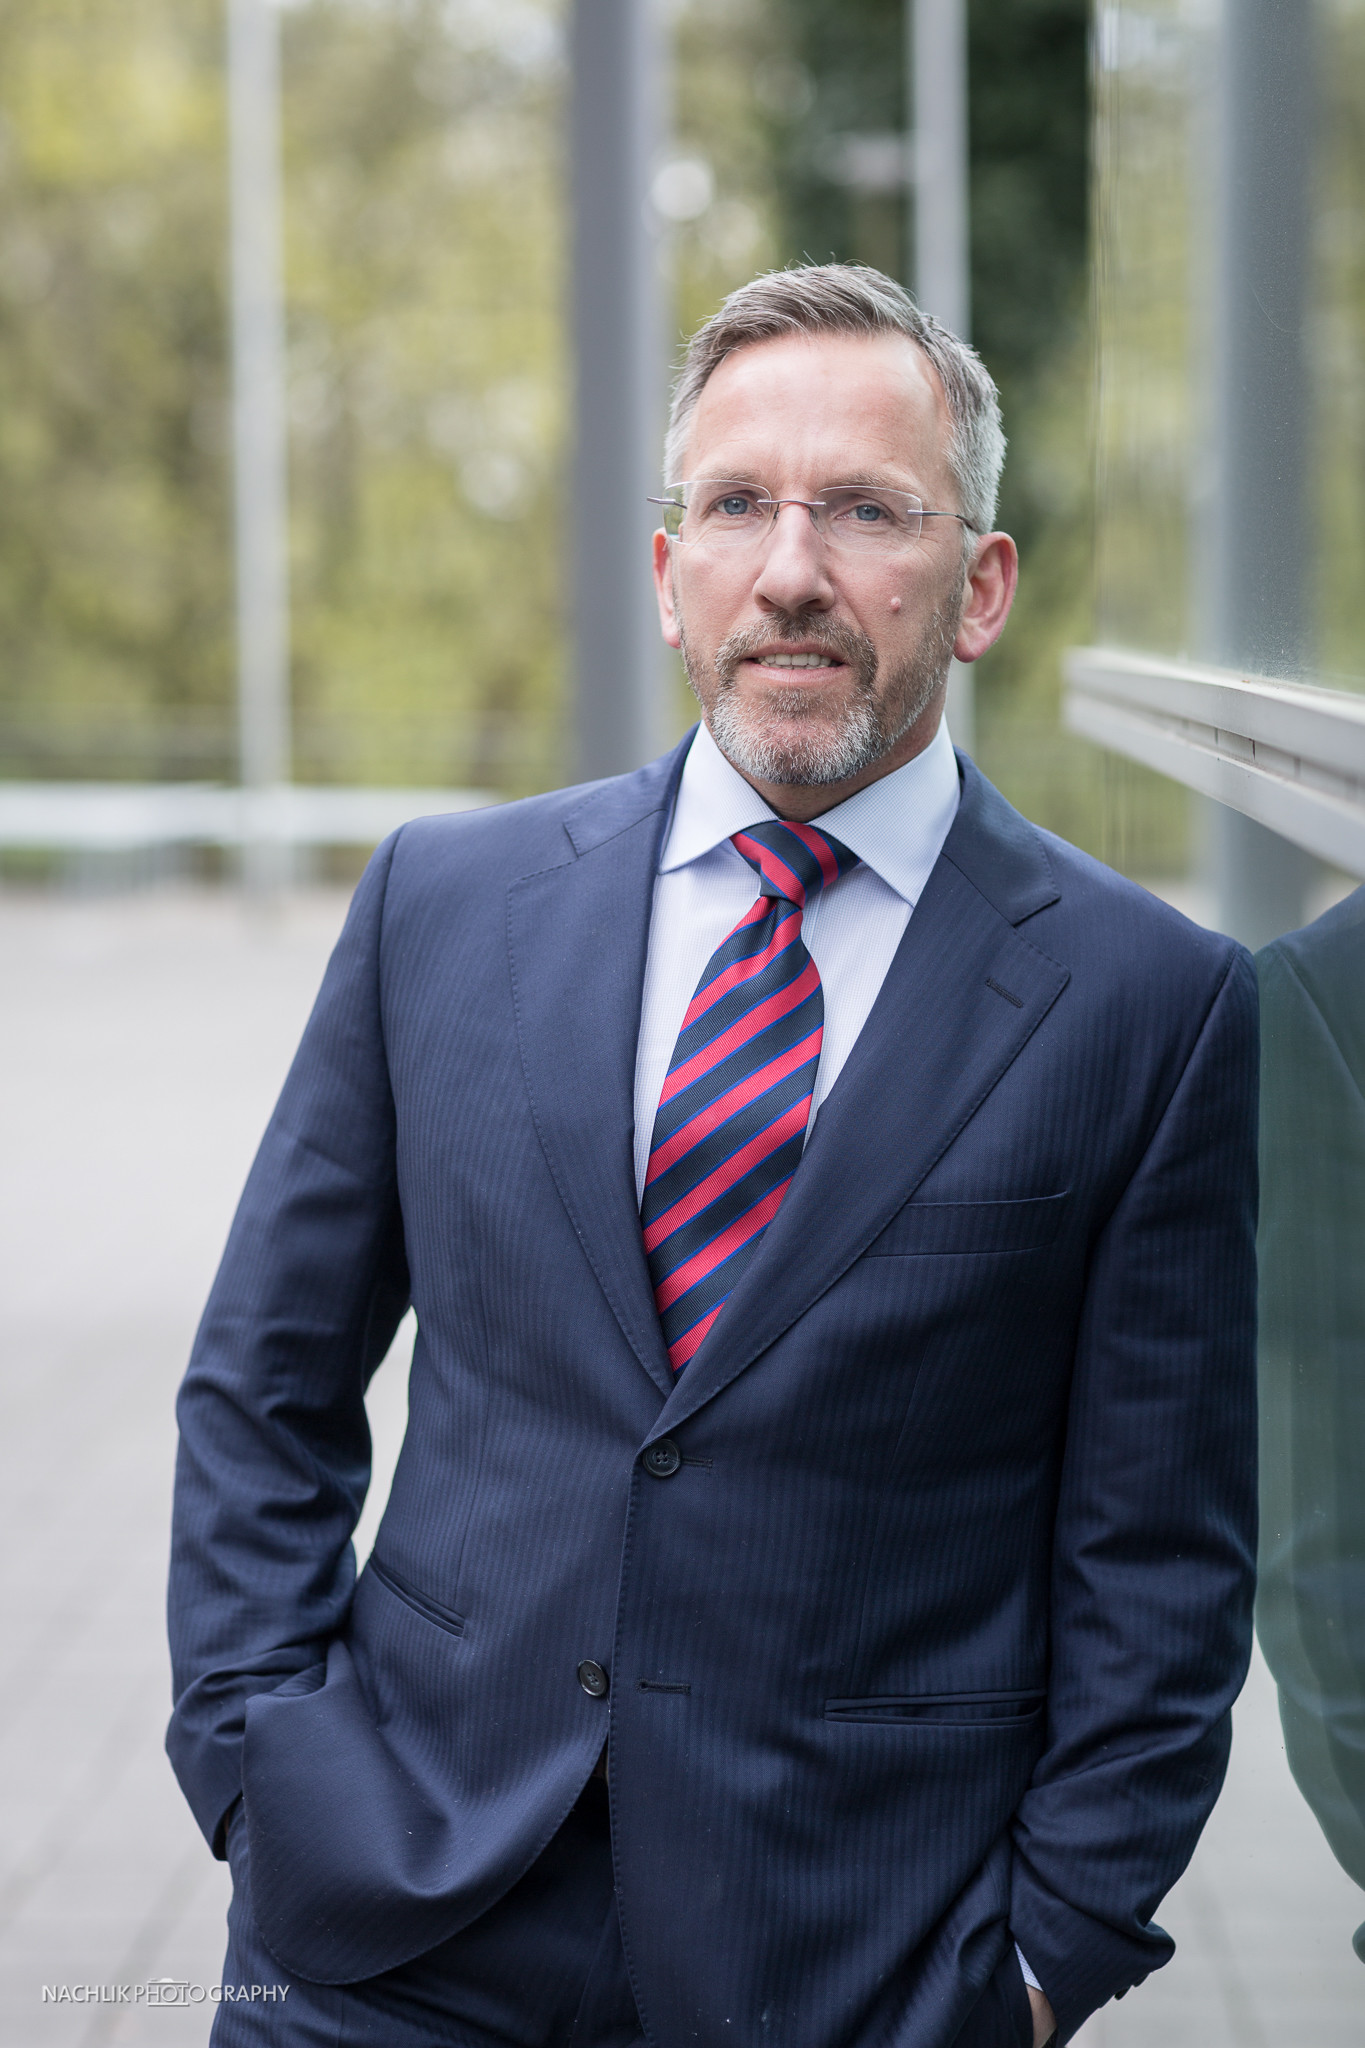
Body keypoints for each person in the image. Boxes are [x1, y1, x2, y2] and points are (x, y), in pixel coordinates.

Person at [167, 264, 1259, 2048]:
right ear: (668, 569)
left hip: (850, 1960)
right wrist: (251, 1761)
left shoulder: (1149, 1004)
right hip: (386, 1916)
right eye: (739, 503)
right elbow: (263, 1381)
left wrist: (1046, 1960)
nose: (791, 569)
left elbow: (1157, 1558)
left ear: (979, 587)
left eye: (867, 510)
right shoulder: (442, 908)